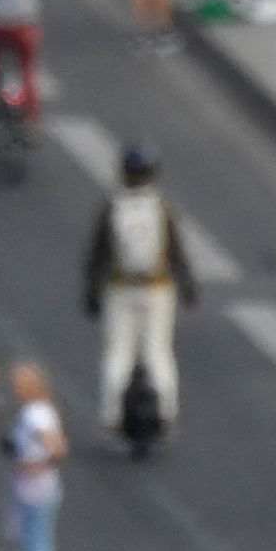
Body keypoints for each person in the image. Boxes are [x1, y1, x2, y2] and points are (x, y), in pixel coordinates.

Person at [82, 145, 192, 443]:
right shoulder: (161, 205)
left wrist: (91, 292)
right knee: (158, 351)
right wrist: (188, 286)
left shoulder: (112, 205)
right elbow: (177, 251)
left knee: (119, 351)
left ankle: (112, 415)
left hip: (121, 288)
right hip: (157, 288)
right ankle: (167, 414)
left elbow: (97, 252)